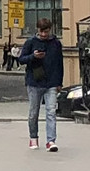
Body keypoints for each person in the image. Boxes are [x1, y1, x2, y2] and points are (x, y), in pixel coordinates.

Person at [23, 16, 63, 152]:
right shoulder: (30, 42)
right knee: (34, 112)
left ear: (50, 30)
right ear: (38, 30)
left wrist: (59, 82)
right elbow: (21, 59)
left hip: (51, 83)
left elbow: (59, 63)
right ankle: (33, 137)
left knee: (51, 112)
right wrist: (33, 56)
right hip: (34, 82)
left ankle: (51, 141)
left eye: (46, 31)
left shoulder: (56, 43)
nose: (44, 34)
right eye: (42, 31)